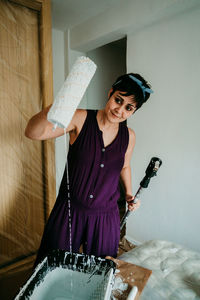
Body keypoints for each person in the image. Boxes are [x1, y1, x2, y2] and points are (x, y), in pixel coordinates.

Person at [25, 73, 153, 266]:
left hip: (105, 217)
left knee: (97, 271)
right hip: (69, 211)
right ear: (110, 93)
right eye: (118, 100)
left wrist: (128, 194)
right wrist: (61, 104)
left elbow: (125, 166)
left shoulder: (129, 136)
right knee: (51, 265)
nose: (119, 110)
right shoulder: (80, 118)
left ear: (134, 111)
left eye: (129, 108)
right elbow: (32, 132)